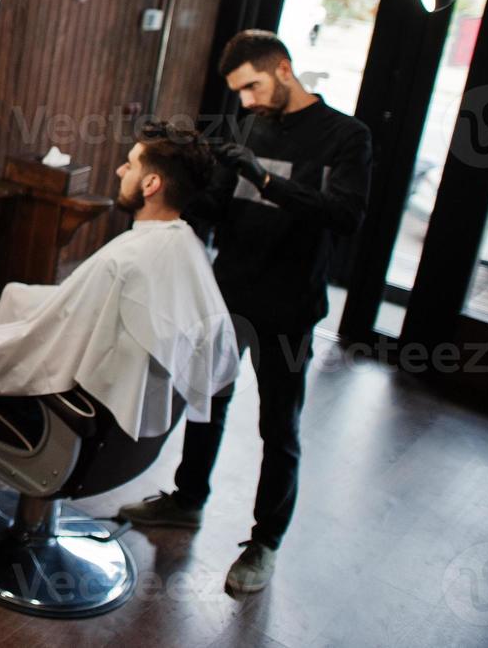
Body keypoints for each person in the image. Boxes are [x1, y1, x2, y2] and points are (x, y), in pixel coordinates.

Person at [118, 30, 373, 595]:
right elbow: (218, 210)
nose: (248, 102)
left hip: (289, 307)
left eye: (253, 86)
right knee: (207, 404)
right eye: (239, 93)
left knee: (278, 427)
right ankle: (187, 500)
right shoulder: (247, 127)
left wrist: (263, 177)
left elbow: (344, 215)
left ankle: (265, 542)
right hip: (228, 294)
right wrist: (177, 181)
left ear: (283, 68)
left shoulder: (345, 138)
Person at [0, 121, 239, 453]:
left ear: (152, 183)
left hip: (53, 410)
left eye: (131, 164)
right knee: (15, 294)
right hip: (106, 420)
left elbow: (35, 349)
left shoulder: (121, 261)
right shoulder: (186, 246)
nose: (121, 169)